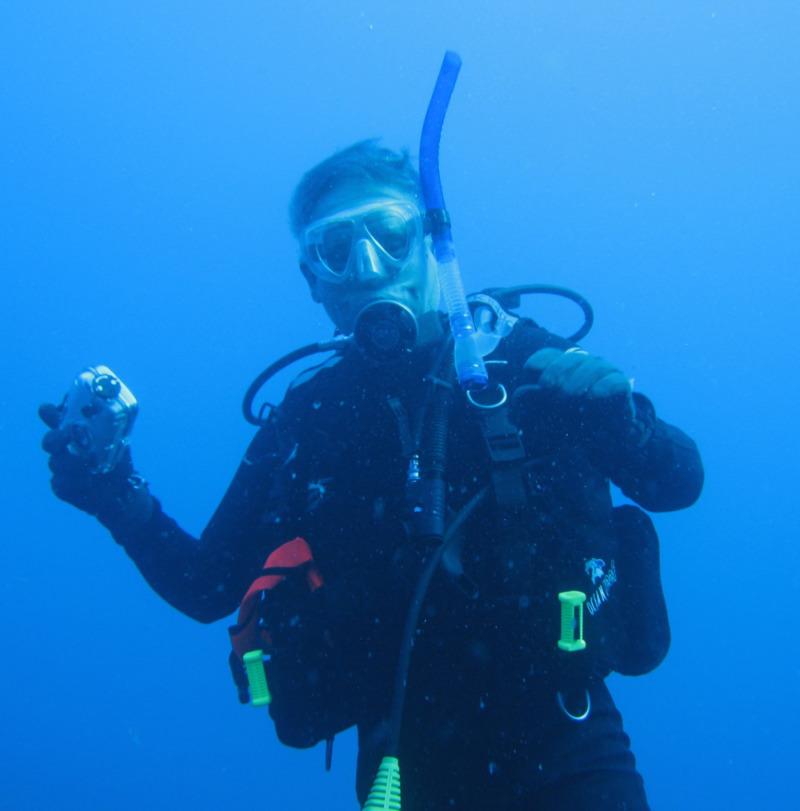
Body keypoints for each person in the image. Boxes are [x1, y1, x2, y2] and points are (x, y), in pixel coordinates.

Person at [41, 140, 703, 810]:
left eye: (389, 236)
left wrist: (620, 423)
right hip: (402, 768)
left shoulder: (519, 361)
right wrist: (110, 491)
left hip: (569, 748)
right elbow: (208, 583)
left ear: (432, 246)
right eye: (336, 249)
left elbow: (678, 482)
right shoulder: (308, 418)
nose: (367, 267)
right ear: (312, 279)